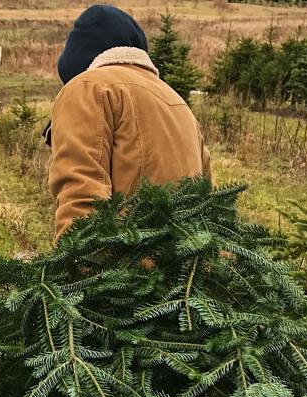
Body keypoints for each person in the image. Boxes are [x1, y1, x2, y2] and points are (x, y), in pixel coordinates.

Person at [45, 5, 212, 238]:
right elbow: (208, 201)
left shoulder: (87, 87)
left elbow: (81, 195)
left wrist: (73, 267)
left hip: (123, 267)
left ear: (76, 62)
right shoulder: (177, 102)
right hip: (186, 268)